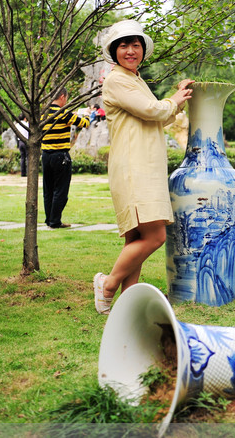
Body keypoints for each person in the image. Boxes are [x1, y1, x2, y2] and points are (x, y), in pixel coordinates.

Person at [92, 19, 193, 315]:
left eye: (135, 44)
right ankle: (108, 285)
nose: (130, 50)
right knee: (155, 236)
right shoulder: (116, 80)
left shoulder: (135, 80)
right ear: (114, 50)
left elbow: (159, 117)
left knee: (136, 238)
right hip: (134, 167)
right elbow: (152, 110)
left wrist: (179, 100)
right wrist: (171, 101)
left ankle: (126, 305)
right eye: (123, 45)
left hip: (142, 165)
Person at [41, 87, 90, 229]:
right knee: (61, 190)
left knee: (48, 189)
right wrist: (86, 114)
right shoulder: (63, 113)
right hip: (60, 155)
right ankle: (55, 221)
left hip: (45, 155)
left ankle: (49, 219)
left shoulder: (43, 113)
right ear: (62, 96)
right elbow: (84, 124)